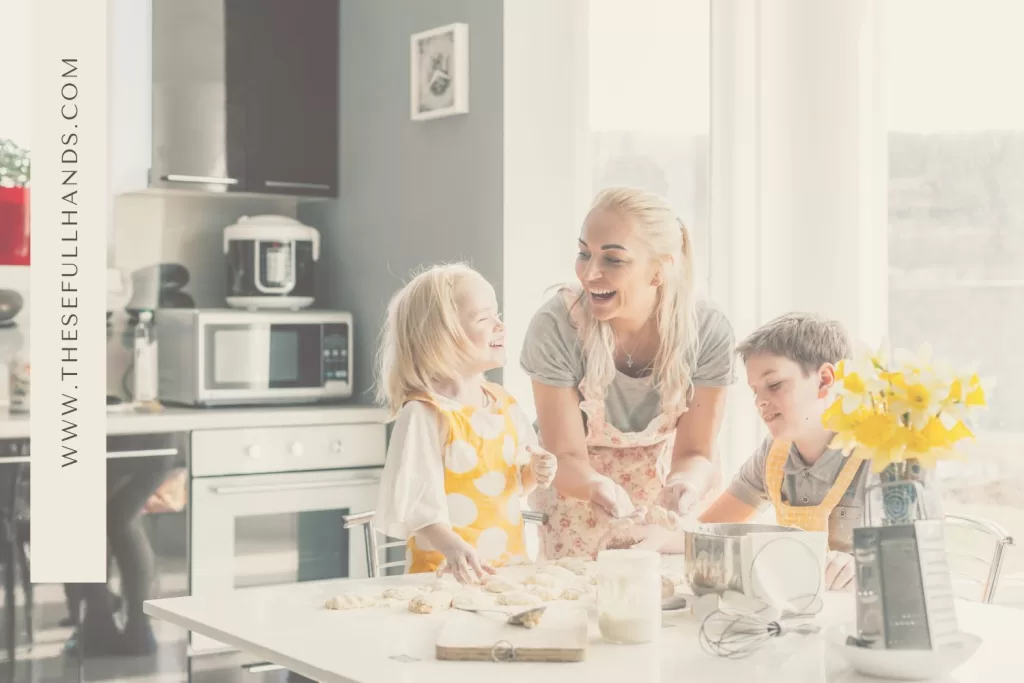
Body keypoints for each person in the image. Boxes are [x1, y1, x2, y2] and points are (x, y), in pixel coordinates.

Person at [520, 186, 736, 560]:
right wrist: (596, 487)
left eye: (613, 260)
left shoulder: (707, 329)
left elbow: (697, 451)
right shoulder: (557, 327)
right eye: (584, 253)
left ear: (659, 270)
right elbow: (564, 454)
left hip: (666, 506)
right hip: (578, 498)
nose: (590, 273)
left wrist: (685, 484)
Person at [616, 313, 865, 591]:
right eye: (755, 390)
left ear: (824, 380)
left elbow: (916, 559)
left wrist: (864, 566)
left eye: (774, 385)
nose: (760, 402)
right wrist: (657, 534)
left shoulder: (882, 456)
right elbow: (709, 530)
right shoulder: (774, 456)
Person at [374, 263, 558, 584]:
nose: (499, 325)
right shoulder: (425, 413)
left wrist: (536, 472)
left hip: (507, 573)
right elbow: (418, 508)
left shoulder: (503, 403)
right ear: (440, 338)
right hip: (442, 577)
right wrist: (455, 550)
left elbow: (511, 486)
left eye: (497, 314)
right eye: (483, 318)